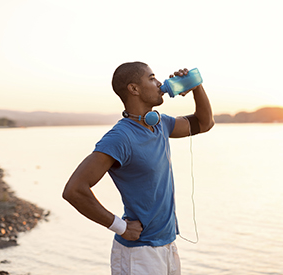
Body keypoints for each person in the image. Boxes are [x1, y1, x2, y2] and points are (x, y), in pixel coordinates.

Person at [62, 61, 214, 275]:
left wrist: (196, 85)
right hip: (139, 254)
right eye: (152, 78)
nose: (160, 82)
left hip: (168, 245)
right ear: (134, 89)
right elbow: (74, 190)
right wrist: (119, 226)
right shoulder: (120, 138)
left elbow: (204, 123)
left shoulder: (160, 124)